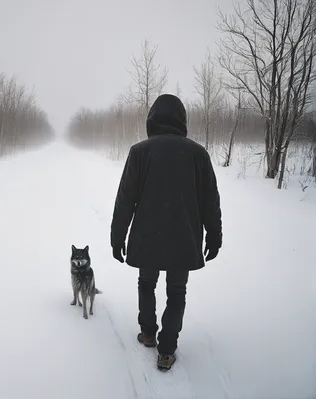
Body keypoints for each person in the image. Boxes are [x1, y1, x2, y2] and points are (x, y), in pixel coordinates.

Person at [110, 94, 223, 371]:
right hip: (183, 239)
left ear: (152, 119)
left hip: (148, 238)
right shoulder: (198, 154)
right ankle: (167, 350)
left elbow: (125, 198)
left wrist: (117, 237)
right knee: (177, 291)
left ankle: (148, 333)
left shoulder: (140, 152)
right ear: (182, 120)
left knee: (146, 284)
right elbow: (210, 199)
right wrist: (214, 235)